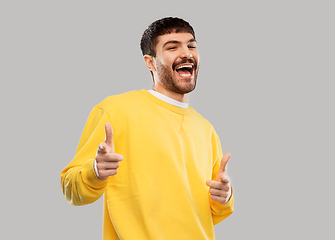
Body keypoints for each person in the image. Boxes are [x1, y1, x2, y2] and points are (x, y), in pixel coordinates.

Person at [61, 17, 234, 240]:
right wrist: (95, 171)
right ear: (150, 62)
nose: (187, 53)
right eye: (172, 47)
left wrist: (224, 197)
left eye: (191, 45)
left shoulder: (206, 129)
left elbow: (210, 213)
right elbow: (71, 188)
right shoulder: (115, 110)